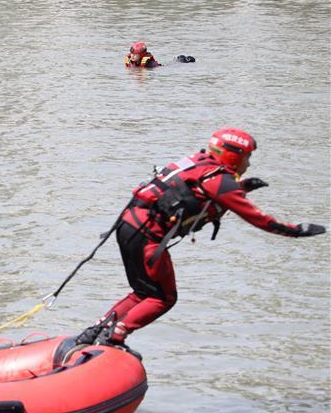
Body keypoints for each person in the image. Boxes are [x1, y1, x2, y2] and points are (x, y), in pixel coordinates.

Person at [75, 128, 326, 354]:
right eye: (247, 158)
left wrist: (243, 187)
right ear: (234, 156)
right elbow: (259, 220)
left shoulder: (199, 162)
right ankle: (114, 337)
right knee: (164, 297)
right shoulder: (221, 181)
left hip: (128, 227)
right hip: (147, 238)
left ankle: (94, 332)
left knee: (144, 292)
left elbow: (197, 192)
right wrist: (296, 231)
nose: (248, 164)